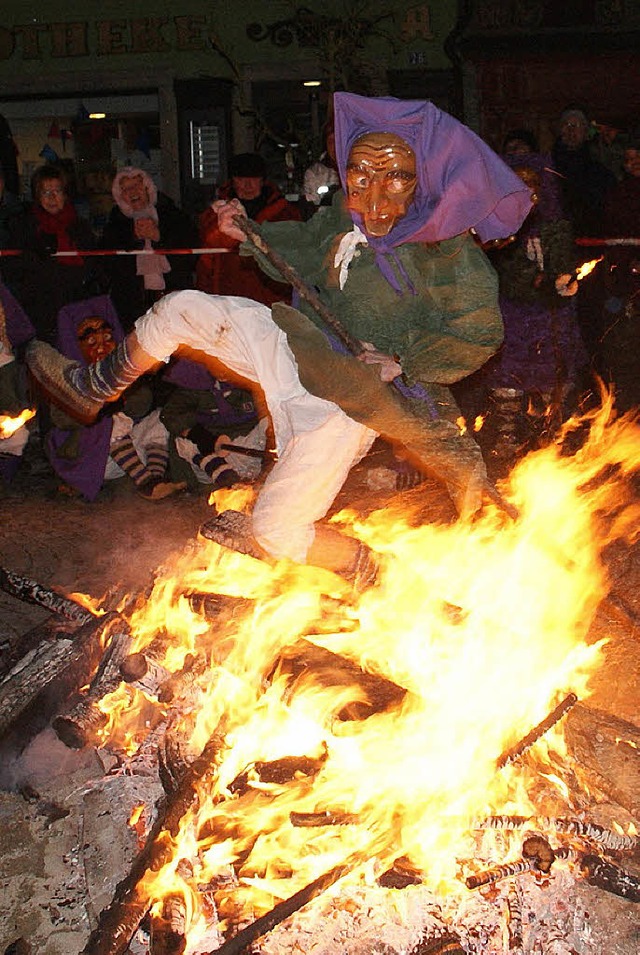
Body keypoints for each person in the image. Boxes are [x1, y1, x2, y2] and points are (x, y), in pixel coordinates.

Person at [26, 92, 531, 581]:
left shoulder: (447, 250)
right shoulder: (342, 219)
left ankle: (376, 573)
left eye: (394, 179)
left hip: (350, 403)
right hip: (300, 346)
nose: (373, 200)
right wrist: (250, 232)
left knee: (276, 528)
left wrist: (401, 360)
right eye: (360, 177)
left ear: (419, 181)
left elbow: (478, 331)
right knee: (182, 308)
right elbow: (307, 245)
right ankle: (93, 386)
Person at [466, 151, 586, 470]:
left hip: (549, 317)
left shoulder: (555, 222)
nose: (528, 190)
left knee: (550, 377)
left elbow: (562, 261)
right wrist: (535, 281)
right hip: (513, 314)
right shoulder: (500, 222)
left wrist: (561, 282)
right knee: (509, 376)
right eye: (520, 183)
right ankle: (506, 436)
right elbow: (503, 269)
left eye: (532, 183)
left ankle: (548, 441)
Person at [45, 295, 185, 502]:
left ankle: (155, 479)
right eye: (91, 341)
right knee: (111, 421)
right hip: (92, 459)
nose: (101, 348)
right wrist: (99, 405)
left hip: (128, 457)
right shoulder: (68, 379)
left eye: (107, 339)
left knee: (159, 418)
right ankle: (147, 483)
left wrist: (123, 391)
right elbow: (60, 419)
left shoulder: (119, 372)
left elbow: (141, 405)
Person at [3, 164, 97, 345]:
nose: (53, 197)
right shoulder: (25, 227)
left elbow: (92, 264)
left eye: (57, 191)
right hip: (41, 314)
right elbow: (14, 270)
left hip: (76, 308)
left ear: (65, 194)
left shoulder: (80, 227)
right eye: (46, 192)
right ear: (37, 197)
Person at [195, 152, 302, 306]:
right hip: (229, 299)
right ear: (232, 181)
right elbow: (206, 257)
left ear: (262, 180)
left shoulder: (285, 213)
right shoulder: (217, 213)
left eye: (253, 178)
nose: (247, 185)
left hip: (271, 298)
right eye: (241, 178)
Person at [100, 167, 198, 331]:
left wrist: (159, 237)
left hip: (173, 298)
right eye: (125, 189)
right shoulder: (115, 224)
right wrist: (134, 239)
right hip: (133, 304)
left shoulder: (172, 215)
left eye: (137, 185)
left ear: (148, 187)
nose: (132, 192)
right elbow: (109, 265)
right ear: (119, 196)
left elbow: (191, 254)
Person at [600, 130, 640, 412]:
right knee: (625, 342)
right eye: (628, 159)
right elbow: (611, 232)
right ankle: (625, 409)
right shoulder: (618, 192)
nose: (633, 163)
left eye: (638, 157)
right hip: (625, 280)